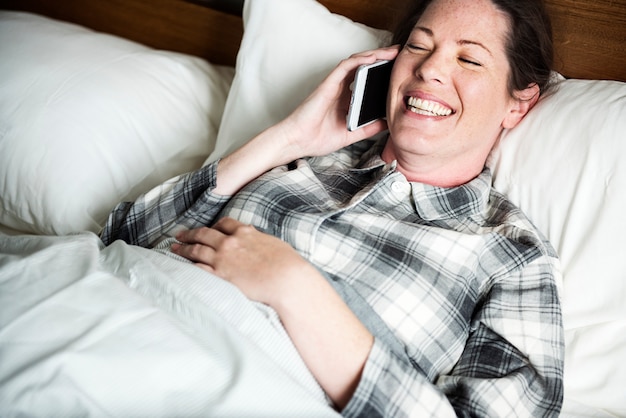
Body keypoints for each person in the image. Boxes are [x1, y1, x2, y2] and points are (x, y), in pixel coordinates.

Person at [100, 0, 563, 416]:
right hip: (109, 309)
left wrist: (298, 290)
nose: (429, 70)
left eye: (468, 58)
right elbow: (121, 238)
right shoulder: (302, 161)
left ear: (518, 105)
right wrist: (287, 138)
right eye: (418, 47)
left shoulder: (511, 257)